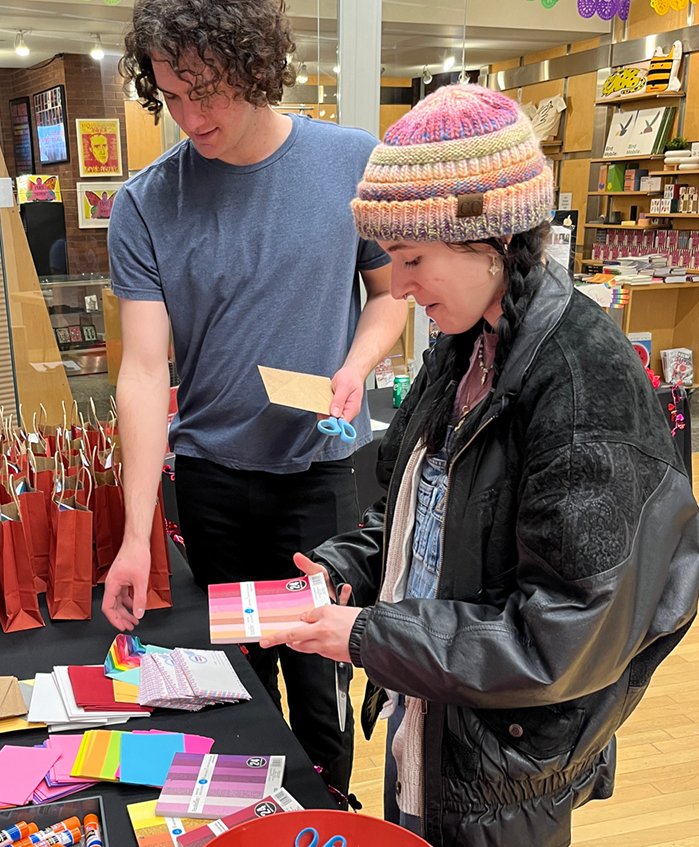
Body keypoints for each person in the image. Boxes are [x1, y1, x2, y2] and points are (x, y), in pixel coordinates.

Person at [263, 84, 698, 846]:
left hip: (506, 760)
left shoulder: (584, 382)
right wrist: (344, 570)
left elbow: (562, 633)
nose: (396, 286)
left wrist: (367, 634)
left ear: (489, 239)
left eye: (412, 258)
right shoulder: (463, 347)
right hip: (433, 720)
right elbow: (407, 507)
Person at [98, 0, 408, 801]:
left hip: (320, 479)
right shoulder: (144, 203)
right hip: (212, 481)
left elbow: (391, 294)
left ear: (256, 67)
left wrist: (356, 363)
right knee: (233, 680)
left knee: (321, 685)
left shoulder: (352, 162)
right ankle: (251, 813)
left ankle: (327, 812)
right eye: (170, 95)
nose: (190, 116)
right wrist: (136, 536)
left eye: (208, 91)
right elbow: (140, 371)